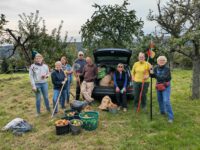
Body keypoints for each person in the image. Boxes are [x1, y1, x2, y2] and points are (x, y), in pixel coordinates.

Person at [150, 56, 174, 123]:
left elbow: (164, 78)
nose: (161, 61)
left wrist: (155, 75)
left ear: (165, 61)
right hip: (158, 85)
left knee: (166, 100)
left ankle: (171, 117)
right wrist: (150, 71)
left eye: (163, 60)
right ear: (157, 61)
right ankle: (162, 112)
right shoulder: (155, 68)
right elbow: (152, 76)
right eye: (160, 60)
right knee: (160, 100)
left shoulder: (167, 69)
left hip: (165, 86)